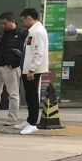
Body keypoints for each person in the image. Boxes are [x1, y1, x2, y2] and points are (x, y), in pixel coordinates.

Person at [18, 7, 49, 135]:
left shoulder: (37, 32)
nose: (22, 23)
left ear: (29, 18)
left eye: (23, 20)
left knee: (32, 96)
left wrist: (32, 69)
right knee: (29, 95)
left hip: (33, 70)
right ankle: (29, 120)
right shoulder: (32, 31)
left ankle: (32, 123)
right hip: (28, 68)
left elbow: (38, 52)